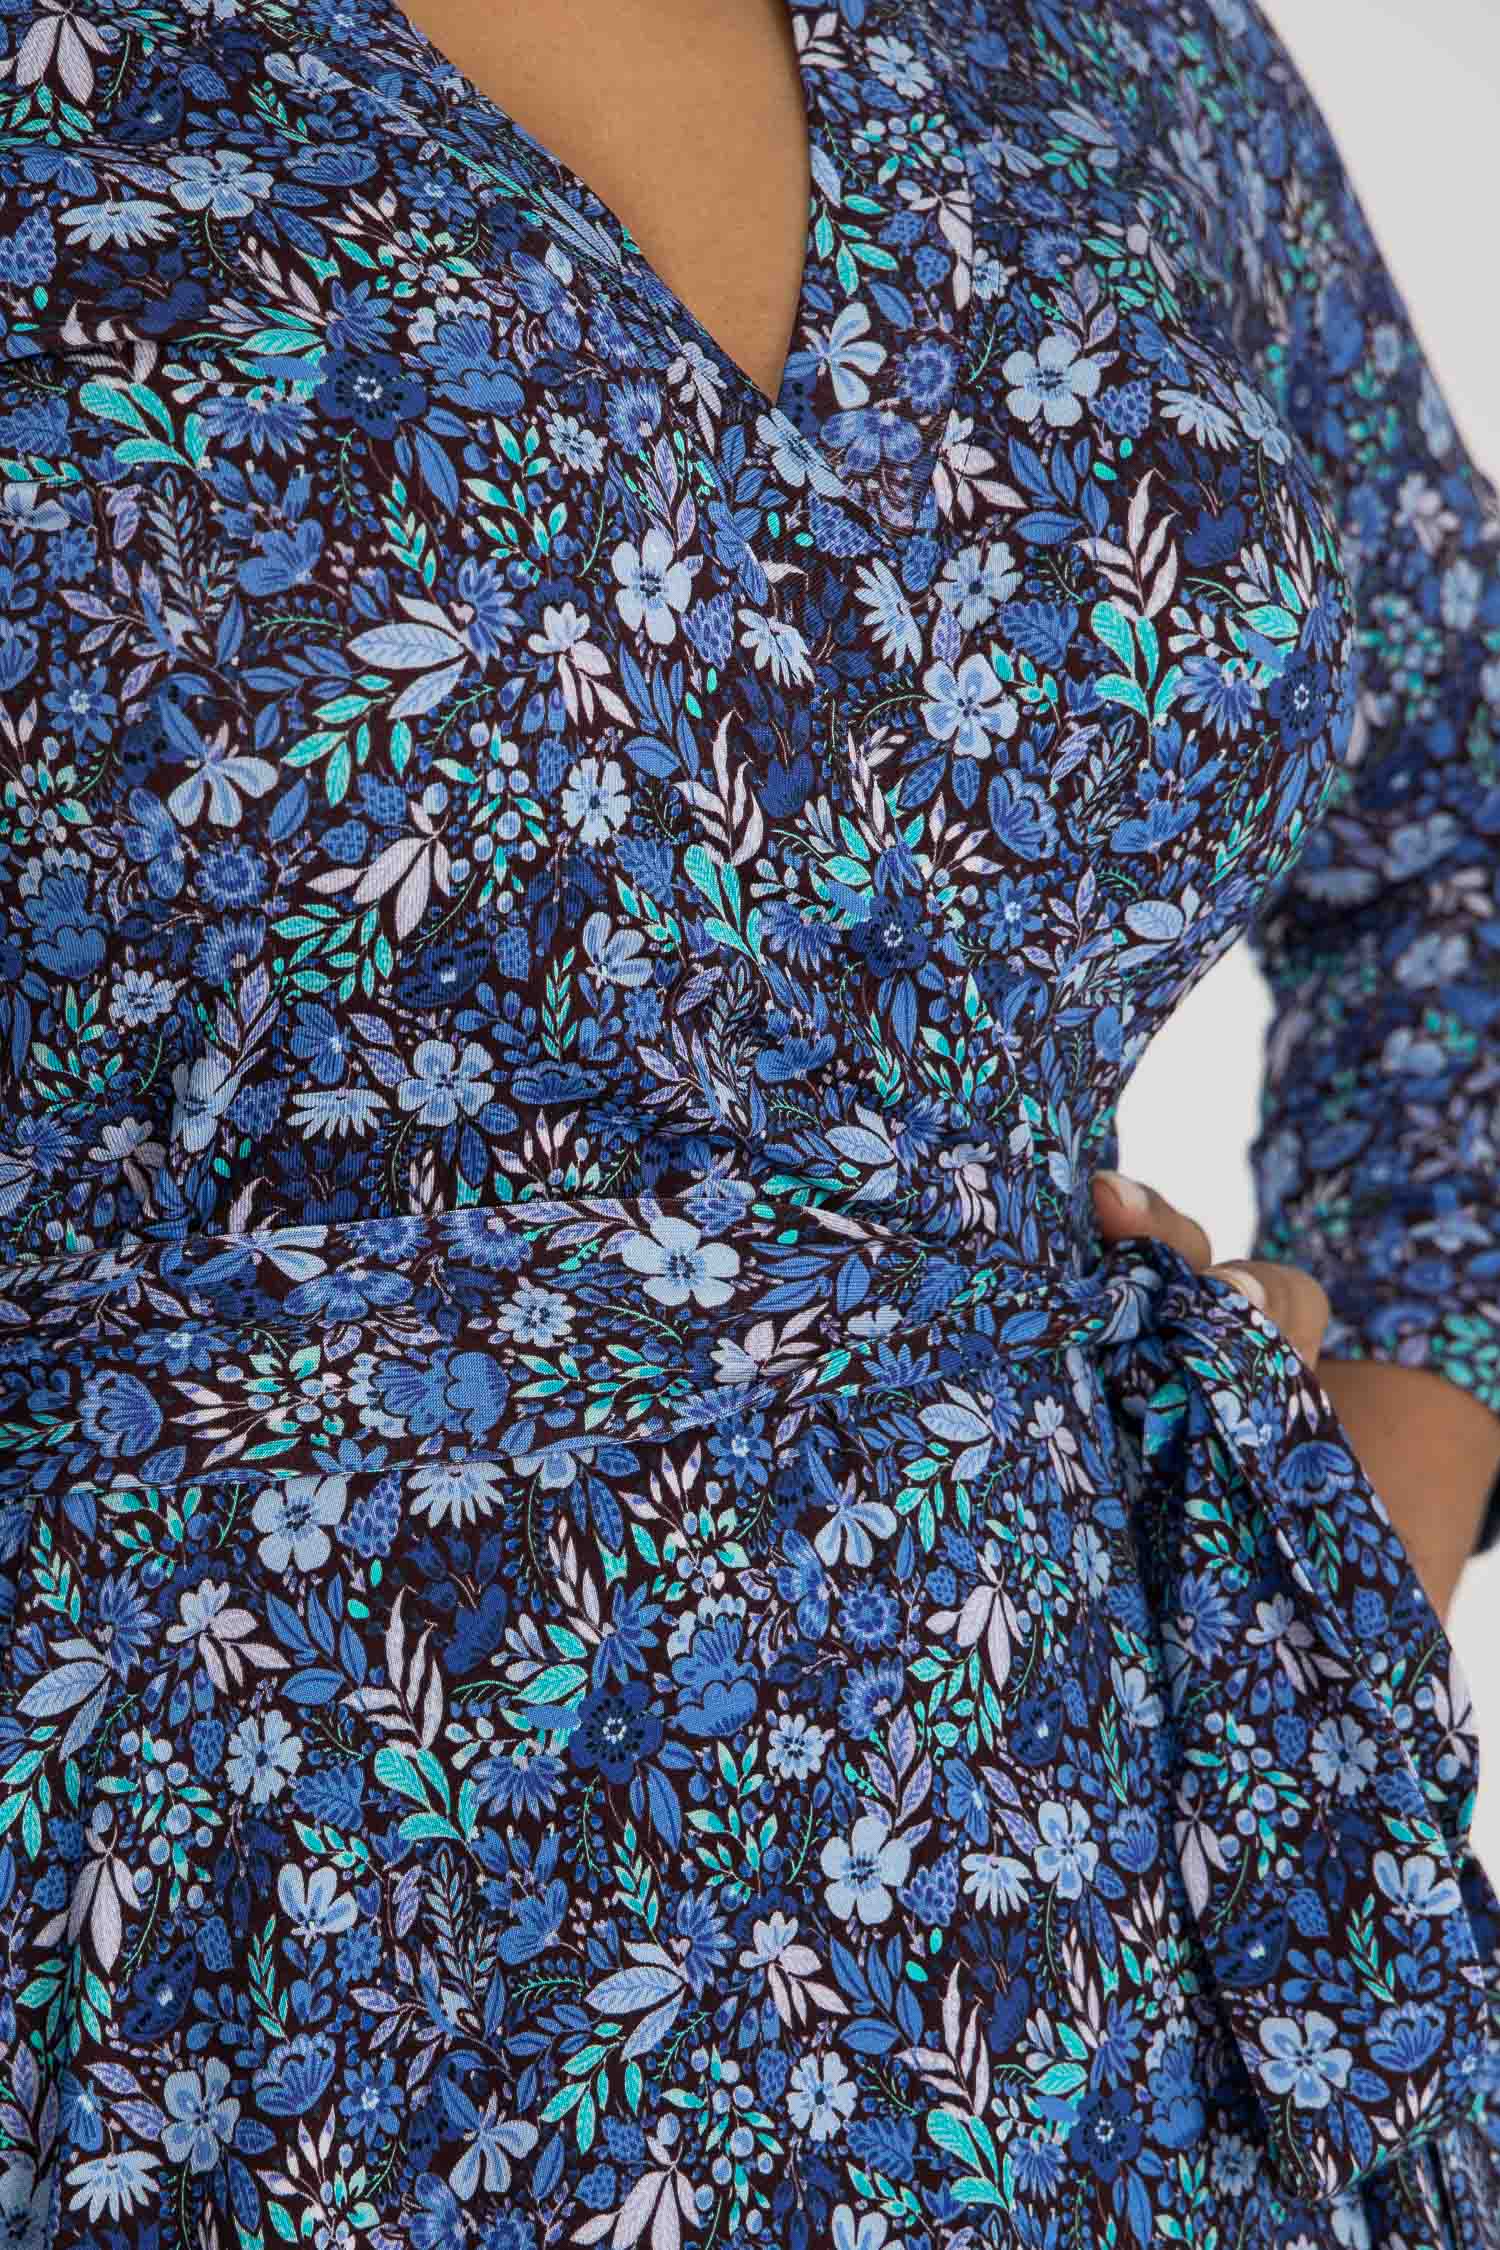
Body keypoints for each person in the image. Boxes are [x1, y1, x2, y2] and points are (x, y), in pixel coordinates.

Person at [1, 0, 1498, 2241]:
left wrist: (1379, 1469)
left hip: (1126, 1997)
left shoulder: (1109, 42)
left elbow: (1455, 801)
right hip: (249, 2011)